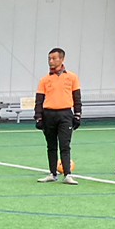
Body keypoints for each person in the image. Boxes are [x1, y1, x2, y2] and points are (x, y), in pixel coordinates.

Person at [34, 48, 81, 185]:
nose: (51, 61)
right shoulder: (44, 80)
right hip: (49, 114)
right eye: (49, 58)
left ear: (62, 59)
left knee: (65, 145)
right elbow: (39, 100)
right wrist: (38, 117)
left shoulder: (72, 77)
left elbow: (77, 98)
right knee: (51, 146)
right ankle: (52, 173)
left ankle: (67, 174)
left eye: (54, 58)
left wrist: (78, 115)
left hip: (65, 114)